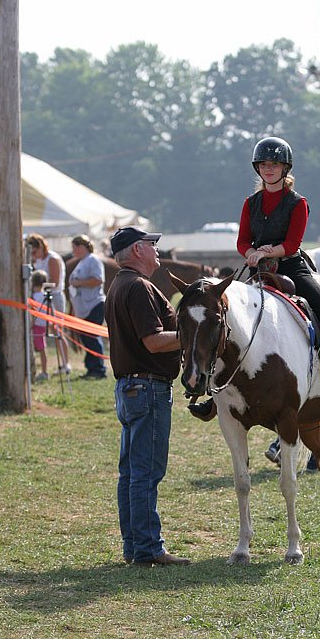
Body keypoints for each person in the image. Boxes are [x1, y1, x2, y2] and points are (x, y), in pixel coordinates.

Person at [189, 136, 320, 420]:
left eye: (274, 164)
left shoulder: (298, 203)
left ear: (285, 168)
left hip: (292, 269)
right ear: (257, 168)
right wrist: (250, 252)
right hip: (258, 272)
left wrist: (267, 251)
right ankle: (214, 395)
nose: (269, 168)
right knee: (228, 322)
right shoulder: (250, 203)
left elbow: (293, 243)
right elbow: (241, 241)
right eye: (264, 164)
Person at [105, 225, 191, 567]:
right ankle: (148, 549)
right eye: (152, 245)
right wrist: (193, 335)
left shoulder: (120, 285)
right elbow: (154, 341)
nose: (157, 250)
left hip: (131, 387)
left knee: (131, 473)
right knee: (146, 472)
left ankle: (135, 546)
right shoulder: (139, 287)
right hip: (148, 388)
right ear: (137, 250)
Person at [27, 233, 71, 374]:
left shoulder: (52, 258)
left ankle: (65, 364)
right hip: (41, 296)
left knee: (57, 331)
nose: (33, 255)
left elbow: (55, 282)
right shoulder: (37, 260)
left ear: (41, 247)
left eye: (34, 252)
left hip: (55, 296)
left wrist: (38, 286)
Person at [68, 235, 107, 379]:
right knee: (87, 338)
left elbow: (98, 280)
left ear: (81, 246)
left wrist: (78, 283)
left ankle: (99, 369)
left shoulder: (93, 260)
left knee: (92, 337)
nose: (73, 251)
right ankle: (92, 368)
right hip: (84, 306)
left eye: (74, 247)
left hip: (94, 304)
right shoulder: (83, 261)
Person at [30, 269, 49, 381]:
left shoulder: (33, 297)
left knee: (38, 349)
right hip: (43, 325)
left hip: (35, 326)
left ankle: (42, 371)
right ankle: (44, 370)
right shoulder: (45, 296)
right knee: (42, 349)